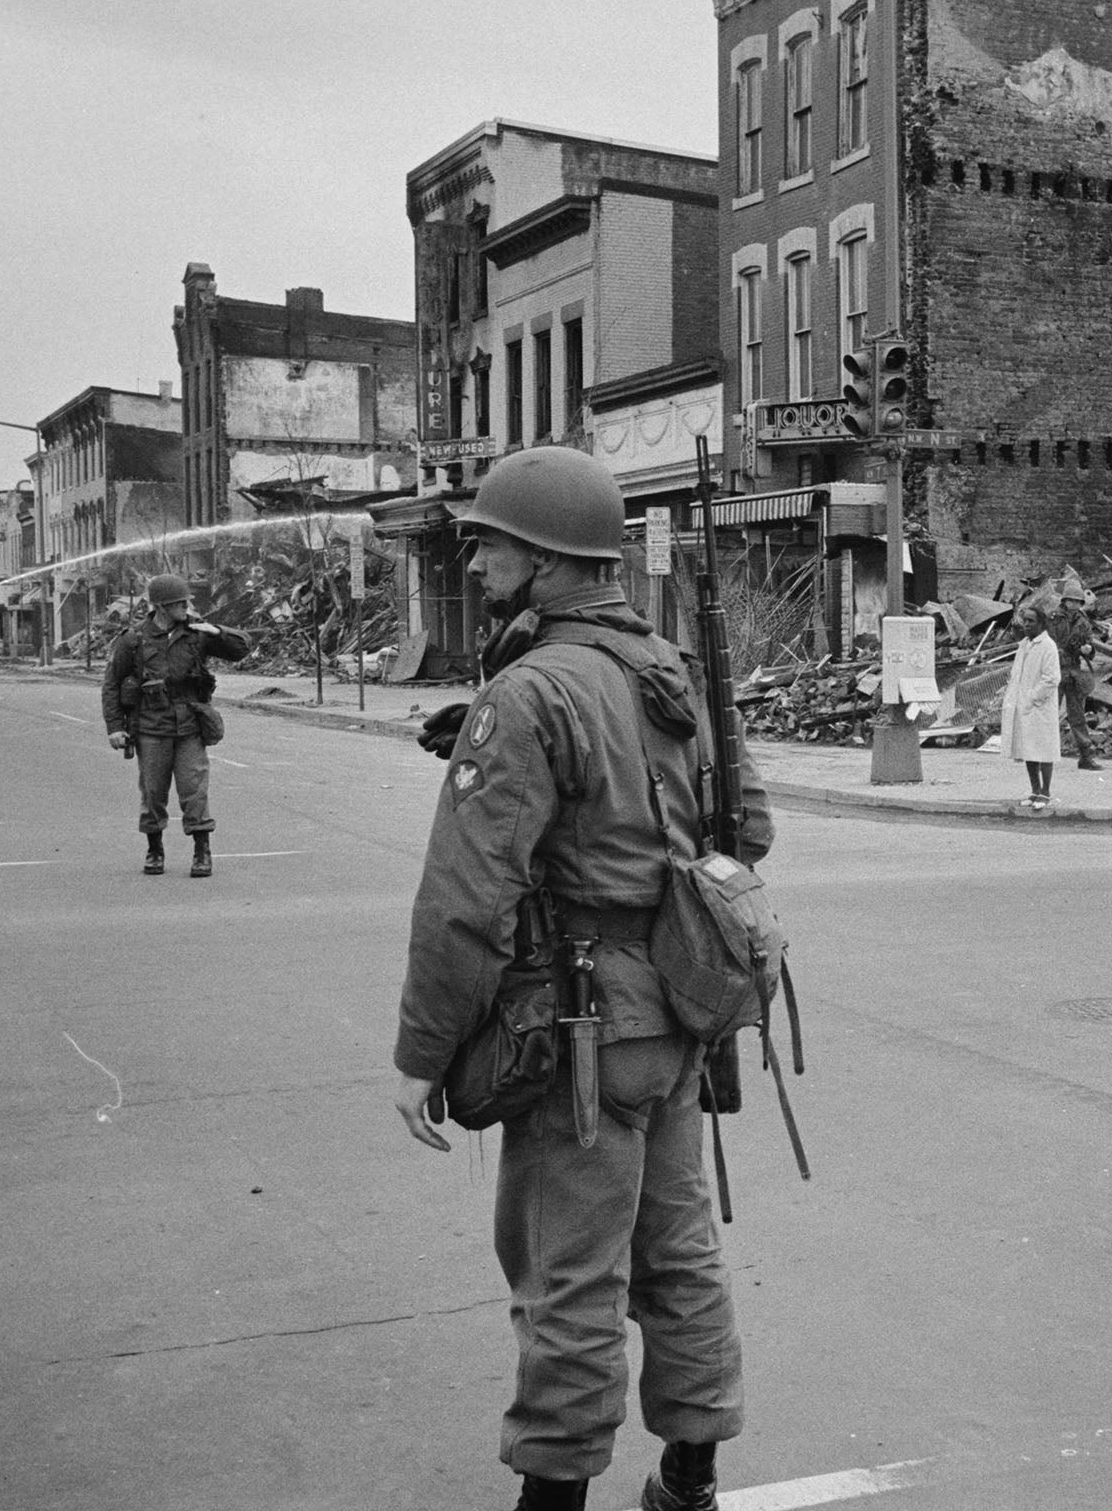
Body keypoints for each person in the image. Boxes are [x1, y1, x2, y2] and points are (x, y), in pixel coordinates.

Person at [392, 446, 774, 1511]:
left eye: (491, 543)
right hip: (677, 1020)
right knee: (680, 1255)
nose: (475, 563)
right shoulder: (665, 670)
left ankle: (550, 1499)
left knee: (567, 1279)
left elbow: (465, 901)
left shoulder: (529, 692)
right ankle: (688, 1478)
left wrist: (421, 1055)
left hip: (581, 1029)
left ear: (549, 559)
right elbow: (750, 831)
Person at [100, 573, 249, 877]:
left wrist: (218, 631)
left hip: (190, 726)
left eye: (186, 601)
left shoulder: (196, 633)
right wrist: (115, 726)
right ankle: (155, 850)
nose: (186, 607)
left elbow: (242, 648)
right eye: (180, 603)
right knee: (153, 792)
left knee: (194, 790)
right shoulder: (135, 639)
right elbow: (112, 684)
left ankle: (201, 851)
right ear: (162, 607)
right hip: (151, 726)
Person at [1001, 602, 1063, 809]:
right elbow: (1017, 674)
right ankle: (1034, 790)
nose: (1026, 625)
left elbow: (1051, 678)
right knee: (1029, 749)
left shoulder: (1048, 646)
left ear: (1041, 624)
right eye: (1024, 621)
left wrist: (1032, 698)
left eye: (1031, 621)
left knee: (1044, 749)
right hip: (1024, 705)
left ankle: (1045, 792)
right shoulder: (1025, 645)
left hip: (1040, 706)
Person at [1045, 573, 1103, 770]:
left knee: (1077, 716)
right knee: (1049, 713)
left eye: (1078, 602)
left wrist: (1088, 650)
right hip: (1054, 670)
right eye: (1071, 601)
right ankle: (1044, 755)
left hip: (1073, 671)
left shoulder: (1083, 622)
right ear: (1065, 600)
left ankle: (1086, 756)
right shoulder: (1052, 618)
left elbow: (1089, 645)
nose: (1074, 605)